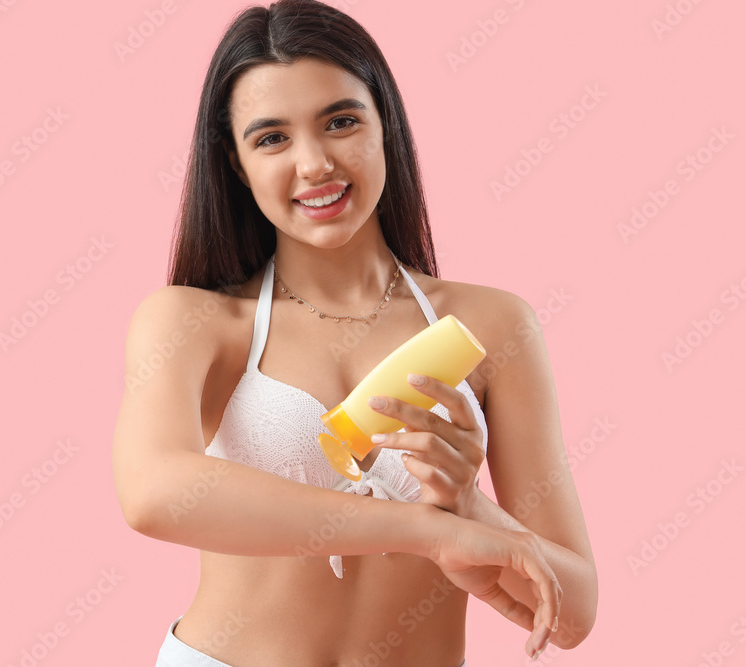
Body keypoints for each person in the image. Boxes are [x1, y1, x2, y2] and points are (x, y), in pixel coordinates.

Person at [113, 1, 597, 664]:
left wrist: (469, 510)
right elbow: (152, 491)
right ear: (236, 163)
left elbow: (572, 611)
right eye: (272, 137)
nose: (314, 163)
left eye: (340, 122)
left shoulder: (493, 326)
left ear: (385, 126)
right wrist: (426, 531)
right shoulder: (193, 321)